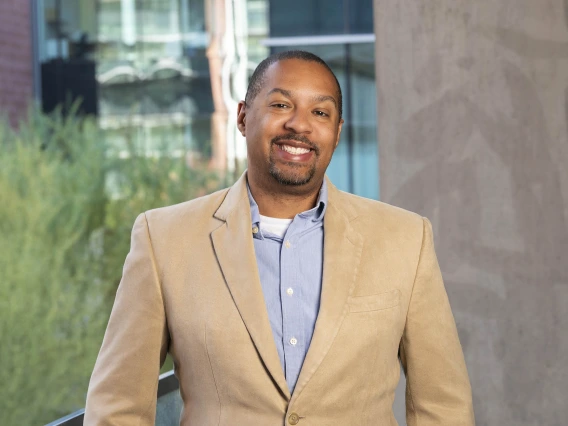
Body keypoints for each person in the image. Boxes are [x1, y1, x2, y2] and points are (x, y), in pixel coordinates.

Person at [84, 50, 475, 426]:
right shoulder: (163, 239)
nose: (299, 125)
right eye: (281, 105)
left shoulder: (405, 238)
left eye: (320, 112)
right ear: (242, 117)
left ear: (337, 133)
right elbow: (118, 407)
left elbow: (443, 407)